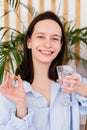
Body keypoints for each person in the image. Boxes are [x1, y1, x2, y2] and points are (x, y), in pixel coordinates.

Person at [0, 11, 87, 130]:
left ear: (61, 45)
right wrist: (21, 107)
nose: (48, 44)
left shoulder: (73, 81)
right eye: (40, 37)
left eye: (55, 39)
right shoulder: (10, 91)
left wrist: (83, 89)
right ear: (29, 42)